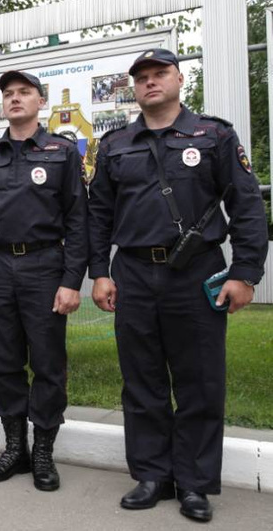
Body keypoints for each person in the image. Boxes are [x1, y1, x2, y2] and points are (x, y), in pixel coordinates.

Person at [88, 48, 268, 522]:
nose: (150, 82)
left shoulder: (214, 135)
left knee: (200, 381)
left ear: (179, 78)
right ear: (134, 87)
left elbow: (246, 207)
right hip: (133, 273)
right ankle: (151, 474)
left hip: (196, 272)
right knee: (142, 379)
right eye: (142, 77)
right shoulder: (114, 146)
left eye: (159, 73)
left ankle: (193, 482)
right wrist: (100, 272)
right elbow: (98, 215)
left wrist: (246, 273)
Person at [0, 71, 88, 491]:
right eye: (8, 94)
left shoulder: (62, 152)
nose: (15, 99)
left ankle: (44, 452)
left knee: (48, 362)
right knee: (5, 362)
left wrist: (71, 281)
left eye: (24, 93)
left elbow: (78, 222)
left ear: (40, 101)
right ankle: (15, 447)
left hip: (45, 266)